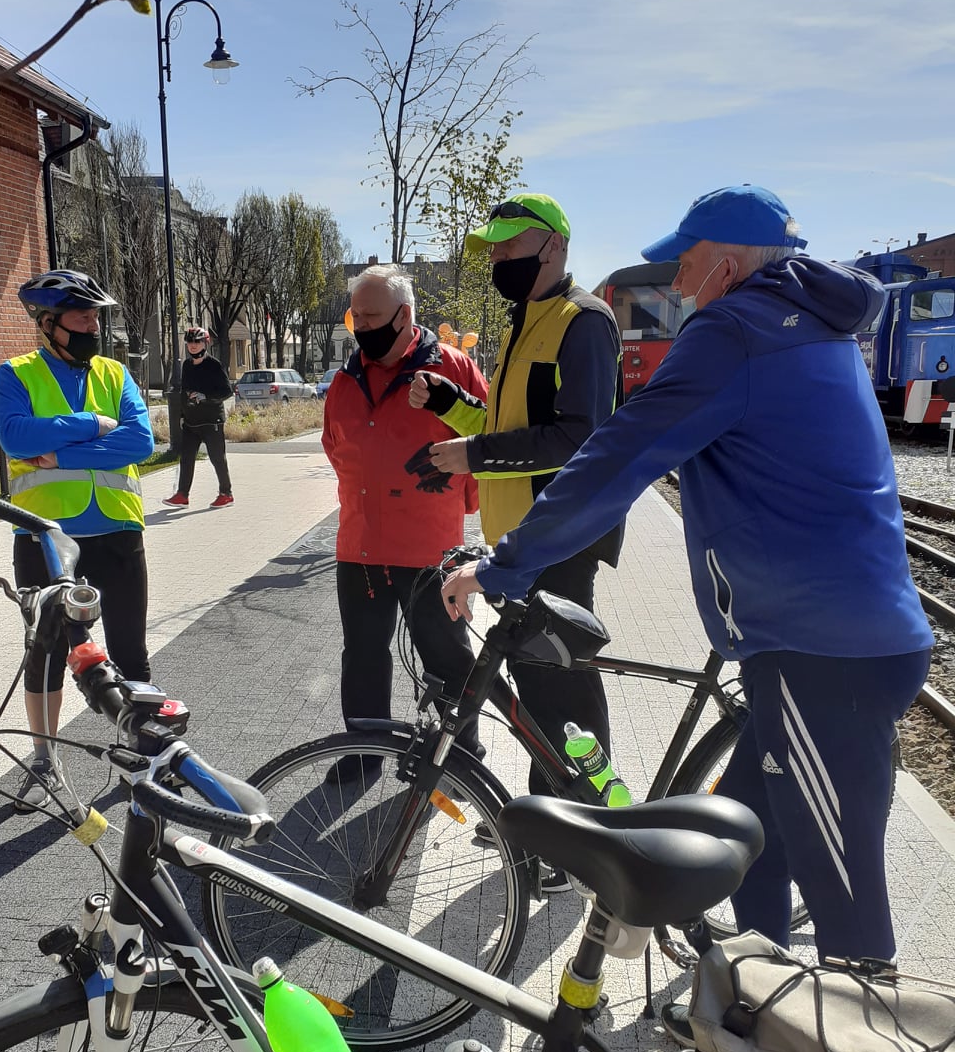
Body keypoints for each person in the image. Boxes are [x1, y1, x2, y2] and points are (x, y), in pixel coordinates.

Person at [441, 185, 933, 964]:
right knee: (746, 842)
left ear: (729, 266)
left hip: (820, 653)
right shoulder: (812, 326)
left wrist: (505, 564)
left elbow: (617, 454)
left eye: (689, 262)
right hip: (835, 635)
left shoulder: (734, 330)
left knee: (848, 911)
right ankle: (742, 1002)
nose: (676, 279)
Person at [411, 193, 623, 888]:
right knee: (539, 691)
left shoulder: (582, 322)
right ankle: (545, 830)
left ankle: (585, 834)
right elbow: (501, 422)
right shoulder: (526, 321)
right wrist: (447, 406)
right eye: (494, 247)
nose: (497, 257)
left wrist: (476, 455)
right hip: (523, 544)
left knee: (561, 692)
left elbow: (576, 437)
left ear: (553, 247)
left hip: (558, 541)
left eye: (509, 245)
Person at [0, 269, 154, 810]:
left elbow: (140, 442)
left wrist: (60, 452)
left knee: (131, 647)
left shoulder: (114, 372)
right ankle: (43, 758)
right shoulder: (15, 374)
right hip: (45, 536)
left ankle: (145, 748)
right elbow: (15, 436)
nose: (94, 325)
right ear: (49, 324)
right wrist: (92, 423)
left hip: (117, 529)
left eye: (95, 316)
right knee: (46, 652)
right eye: (83, 317)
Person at [322, 264, 488, 780]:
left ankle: (461, 757)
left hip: (430, 551)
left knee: (445, 657)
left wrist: (461, 504)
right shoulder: (348, 377)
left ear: (405, 315)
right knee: (364, 655)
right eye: (356, 318)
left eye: (373, 317)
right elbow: (334, 445)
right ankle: (366, 750)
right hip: (361, 547)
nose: (363, 328)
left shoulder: (454, 369)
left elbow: (488, 441)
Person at [165, 326, 234, 509]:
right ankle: (182, 495)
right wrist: (181, 414)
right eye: (190, 342)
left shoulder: (214, 365)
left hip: (212, 421)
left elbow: (227, 391)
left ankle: (226, 493)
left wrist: (206, 397)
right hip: (191, 422)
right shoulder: (187, 365)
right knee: (186, 458)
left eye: (197, 341)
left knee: (217, 458)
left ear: (205, 343)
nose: (193, 345)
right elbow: (184, 391)